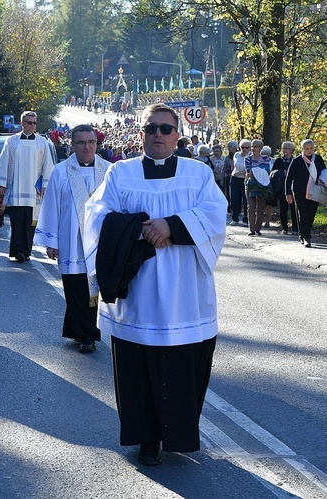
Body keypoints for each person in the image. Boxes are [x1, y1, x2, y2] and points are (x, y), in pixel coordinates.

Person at [83, 103, 227, 466]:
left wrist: (173, 227)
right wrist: (140, 228)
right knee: (137, 364)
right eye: (151, 129)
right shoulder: (120, 173)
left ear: (178, 135)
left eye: (165, 129)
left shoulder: (198, 174)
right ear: (141, 133)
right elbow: (97, 214)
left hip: (185, 291)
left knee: (185, 363)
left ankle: (179, 434)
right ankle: (146, 438)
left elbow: (215, 214)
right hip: (139, 291)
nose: (158, 135)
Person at [35, 124, 110, 353]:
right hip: (71, 241)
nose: (87, 147)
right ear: (73, 144)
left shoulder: (109, 170)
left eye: (91, 142)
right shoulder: (60, 171)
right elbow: (52, 207)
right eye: (81, 142)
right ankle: (86, 335)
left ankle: (81, 330)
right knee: (75, 287)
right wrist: (51, 241)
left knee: (94, 289)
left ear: (97, 144)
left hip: (100, 242)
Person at [0, 111, 55, 262]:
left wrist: (46, 185)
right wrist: (1, 183)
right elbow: (4, 162)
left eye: (34, 123)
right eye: (29, 122)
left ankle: (26, 251)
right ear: (22, 123)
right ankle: (18, 250)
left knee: (30, 223)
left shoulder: (42, 142)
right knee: (17, 221)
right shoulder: (12, 141)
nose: (32, 125)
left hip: (35, 191)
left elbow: (48, 165)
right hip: (16, 189)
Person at [285, 139, 325, 248]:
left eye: (311, 148)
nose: (309, 151)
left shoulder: (318, 159)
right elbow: (289, 178)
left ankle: (303, 233)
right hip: (300, 192)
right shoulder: (297, 161)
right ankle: (307, 237)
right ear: (302, 149)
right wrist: (288, 193)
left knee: (311, 215)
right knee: (303, 214)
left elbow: (324, 174)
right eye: (307, 149)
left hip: (315, 192)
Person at [244, 139, 271, 236]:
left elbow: (267, 171)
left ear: (260, 148)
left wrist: (257, 172)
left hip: (262, 185)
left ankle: (258, 228)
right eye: (252, 146)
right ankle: (251, 229)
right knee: (251, 207)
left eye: (256, 146)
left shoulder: (265, 158)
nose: (254, 148)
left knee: (261, 207)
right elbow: (249, 173)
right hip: (251, 185)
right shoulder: (248, 159)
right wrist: (259, 172)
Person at [271, 141, 298, 235]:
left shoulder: (295, 161)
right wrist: (281, 172)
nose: (284, 150)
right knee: (283, 208)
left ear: (291, 150)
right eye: (283, 148)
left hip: (293, 187)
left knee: (294, 209)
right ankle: (284, 228)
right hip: (282, 187)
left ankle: (295, 228)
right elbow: (272, 173)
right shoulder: (278, 161)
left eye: (287, 148)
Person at [229, 140, 250, 226]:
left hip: (244, 179)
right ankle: (235, 218)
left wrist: (241, 173)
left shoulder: (250, 156)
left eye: (246, 147)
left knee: (245, 200)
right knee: (234, 199)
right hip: (235, 178)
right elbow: (235, 165)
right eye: (242, 147)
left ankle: (246, 219)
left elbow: (250, 168)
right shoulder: (236, 155)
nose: (244, 149)